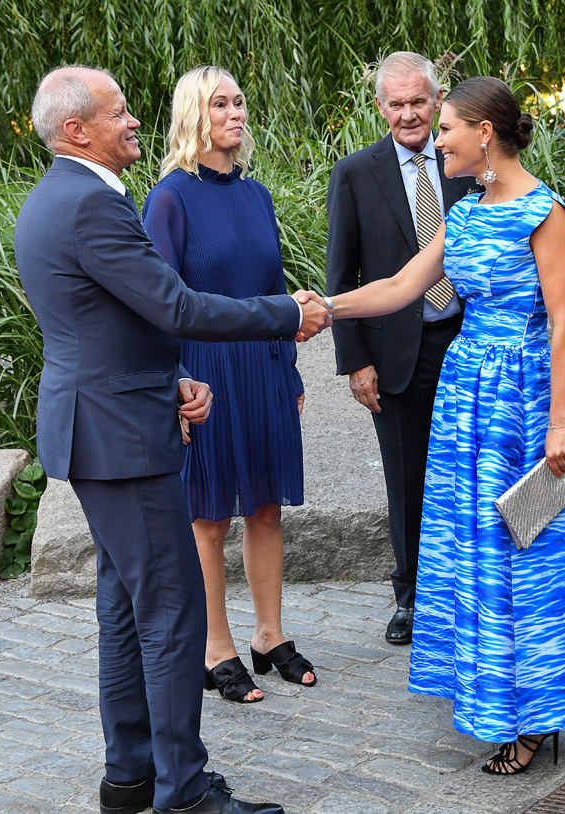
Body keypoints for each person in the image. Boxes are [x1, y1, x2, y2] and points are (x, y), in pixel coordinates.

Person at [14, 65, 329, 814]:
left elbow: (114, 323)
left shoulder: (59, 198)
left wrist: (172, 378)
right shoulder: (91, 205)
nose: (134, 122)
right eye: (118, 113)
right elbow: (175, 303)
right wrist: (283, 314)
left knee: (124, 610)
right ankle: (182, 794)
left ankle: (130, 781)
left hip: (108, 420)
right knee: (170, 613)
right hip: (120, 437)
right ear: (76, 130)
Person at [319, 76, 565, 774]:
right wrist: (321, 309)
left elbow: (564, 324)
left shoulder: (545, 213)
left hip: (530, 404)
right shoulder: (463, 216)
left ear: (484, 134)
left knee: (534, 559)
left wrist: (561, 426)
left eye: (447, 128)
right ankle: (498, 696)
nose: (437, 139)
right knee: (478, 553)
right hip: (468, 402)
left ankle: (539, 715)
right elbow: (400, 288)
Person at [142, 66, 315, 706]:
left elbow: (269, 291)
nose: (236, 112)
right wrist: (174, 385)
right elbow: (158, 302)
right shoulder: (170, 198)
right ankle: (216, 646)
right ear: (195, 115)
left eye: (240, 101)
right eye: (221, 104)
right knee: (209, 517)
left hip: (264, 368)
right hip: (204, 374)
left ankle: (269, 635)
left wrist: (289, 370)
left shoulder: (258, 195)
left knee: (266, 505)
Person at [326, 52, 480, 645]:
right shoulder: (356, 173)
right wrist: (356, 361)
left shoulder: (468, 165)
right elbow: (343, 274)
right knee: (407, 478)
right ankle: (410, 597)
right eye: (398, 103)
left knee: (470, 473)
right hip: (395, 355)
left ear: (437, 102)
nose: (410, 114)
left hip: (469, 342)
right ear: (380, 107)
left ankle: (466, 591)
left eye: (420, 101)